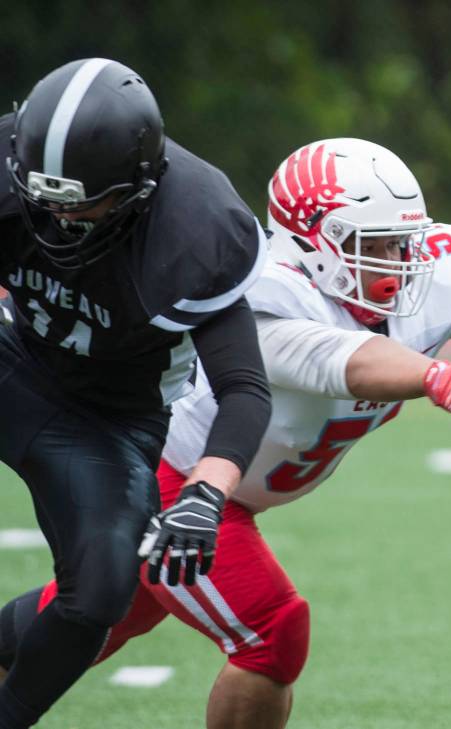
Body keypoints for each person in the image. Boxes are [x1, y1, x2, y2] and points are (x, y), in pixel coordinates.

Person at [1, 138, 451, 728]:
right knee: (270, 631)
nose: (396, 260)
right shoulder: (264, 289)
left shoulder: (425, 280)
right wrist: (435, 376)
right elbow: (336, 360)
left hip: (229, 489)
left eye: (400, 241)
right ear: (311, 244)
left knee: (96, 618)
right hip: (178, 482)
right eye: (371, 245)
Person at [0, 59, 272, 728]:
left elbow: (243, 387)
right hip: (13, 354)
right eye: (44, 197)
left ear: (141, 187)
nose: (59, 216)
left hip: (107, 419)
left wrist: (206, 494)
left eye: (80, 202)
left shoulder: (198, 228)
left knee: (101, 592)